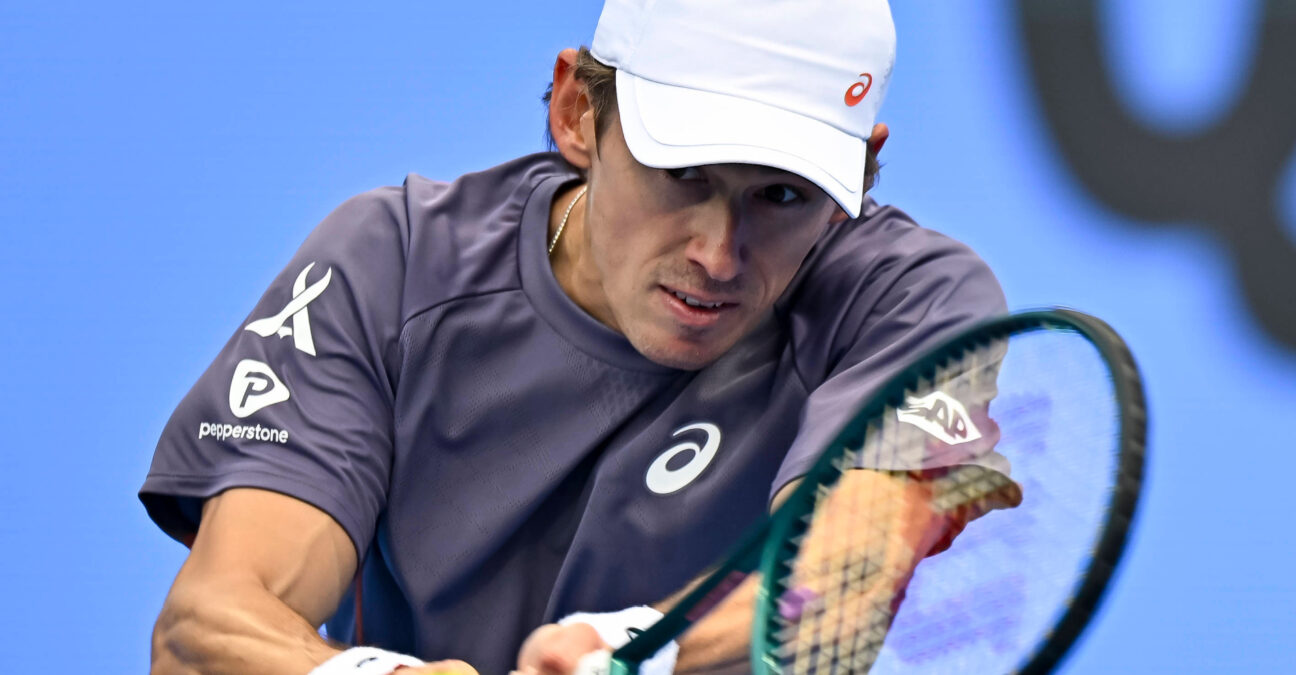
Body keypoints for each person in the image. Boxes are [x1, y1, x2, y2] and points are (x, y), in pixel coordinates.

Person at [140, 1, 1015, 673]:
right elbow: (206, 623)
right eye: (685, 175)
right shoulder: (393, 263)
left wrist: (637, 647)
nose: (717, 254)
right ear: (575, 114)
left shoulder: (912, 300)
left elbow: (840, 577)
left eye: (780, 195)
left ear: (861, 169)